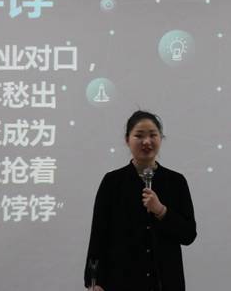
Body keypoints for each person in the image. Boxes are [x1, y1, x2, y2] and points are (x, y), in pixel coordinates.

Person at [84, 110, 197, 291]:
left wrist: (161, 211)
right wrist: (94, 280)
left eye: (153, 135)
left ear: (161, 138)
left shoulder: (176, 181)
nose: (147, 141)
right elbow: (99, 235)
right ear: (127, 140)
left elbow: (188, 234)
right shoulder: (112, 182)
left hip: (165, 281)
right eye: (139, 135)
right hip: (121, 281)